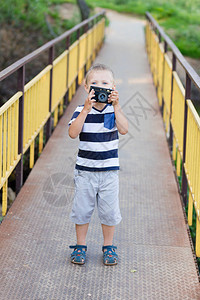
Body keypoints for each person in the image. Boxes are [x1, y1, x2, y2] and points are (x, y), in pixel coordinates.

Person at [68, 63, 128, 265]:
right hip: (85, 172)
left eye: (105, 83)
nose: (99, 86)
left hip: (109, 173)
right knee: (82, 209)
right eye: (94, 83)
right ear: (86, 88)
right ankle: (80, 245)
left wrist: (117, 106)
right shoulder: (80, 110)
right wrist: (85, 109)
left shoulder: (114, 110)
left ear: (113, 87)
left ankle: (109, 246)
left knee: (109, 212)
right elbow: (72, 133)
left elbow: (124, 129)